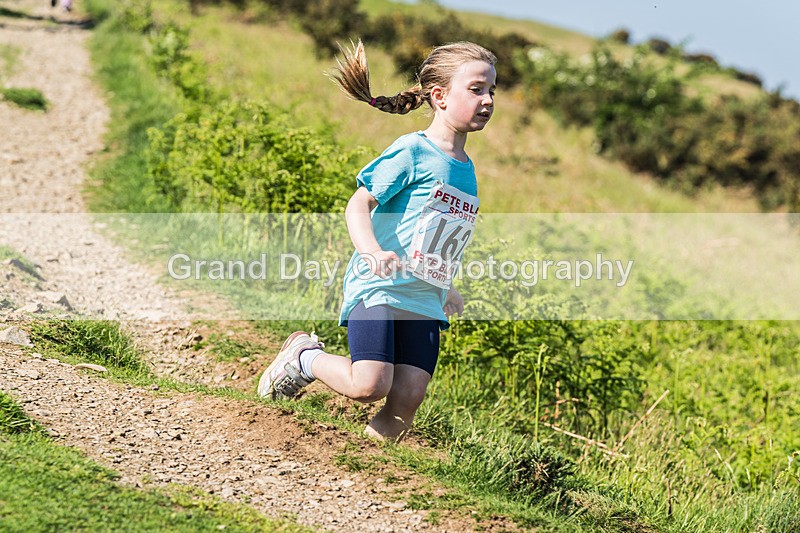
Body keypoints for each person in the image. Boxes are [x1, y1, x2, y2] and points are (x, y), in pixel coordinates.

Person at [258, 39, 496, 442]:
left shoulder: (467, 169)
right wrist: (371, 252)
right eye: (476, 89)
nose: (488, 99)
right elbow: (358, 205)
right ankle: (304, 358)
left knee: (407, 400)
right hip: (381, 286)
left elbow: (438, 237)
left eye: (492, 90)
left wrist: (447, 285)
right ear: (439, 96)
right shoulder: (413, 151)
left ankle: (370, 474)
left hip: (423, 297)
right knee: (369, 385)